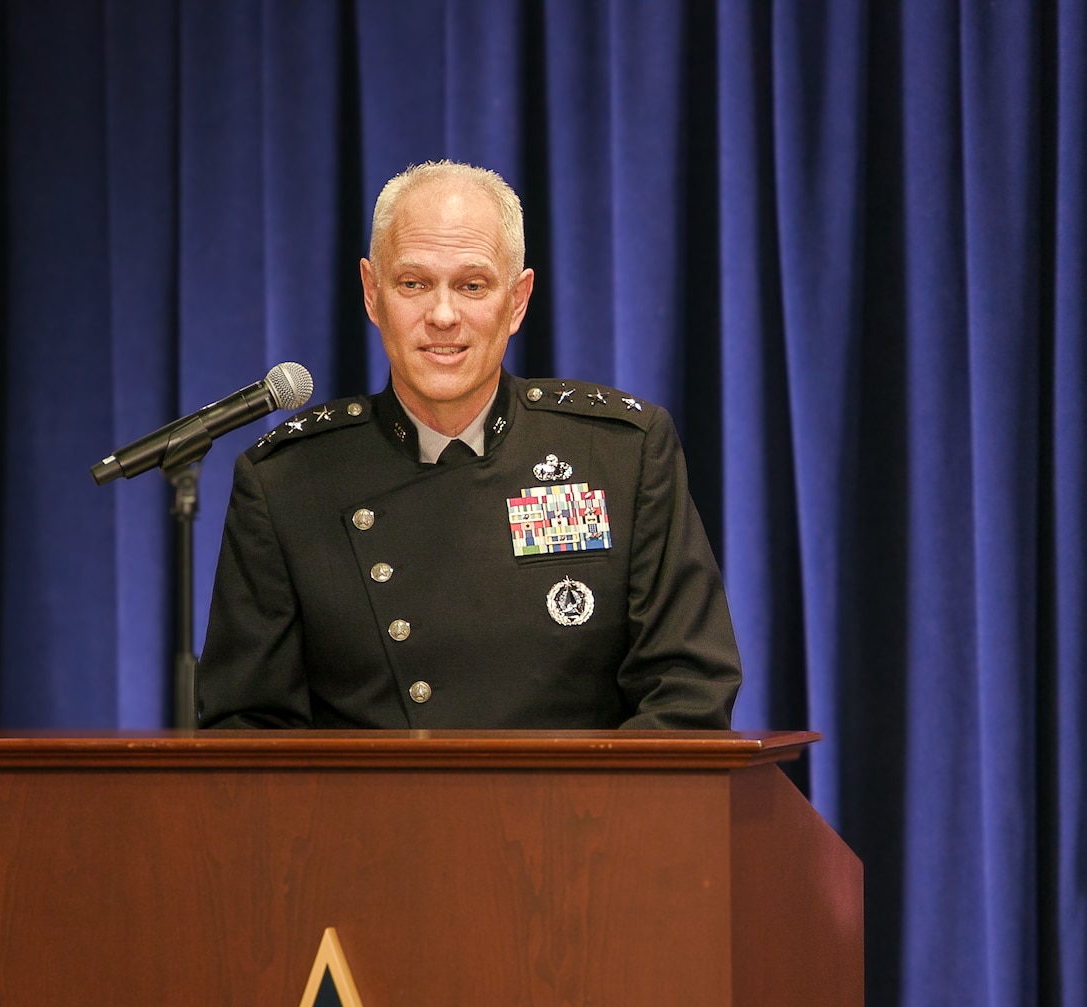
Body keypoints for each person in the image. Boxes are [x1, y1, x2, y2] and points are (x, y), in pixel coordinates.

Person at [196, 161, 740, 729]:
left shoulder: (620, 454)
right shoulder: (287, 483)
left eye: (472, 285)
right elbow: (249, 729)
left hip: (579, 813)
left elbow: (688, 693)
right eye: (414, 284)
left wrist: (582, 814)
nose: (443, 315)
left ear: (518, 299)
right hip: (375, 817)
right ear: (372, 293)